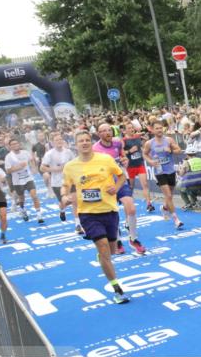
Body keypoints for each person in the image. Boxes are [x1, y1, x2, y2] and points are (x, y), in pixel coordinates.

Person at [61, 131, 130, 304]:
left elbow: (122, 175)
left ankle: (103, 257)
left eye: (86, 140)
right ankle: (117, 290)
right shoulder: (70, 166)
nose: (84, 143)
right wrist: (64, 196)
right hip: (88, 214)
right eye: (80, 141)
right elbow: (65, 185)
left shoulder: (105, 159)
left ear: (91, 143)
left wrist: (116, 187)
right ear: (75, 145)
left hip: (109, 209)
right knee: (103, 246)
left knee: (111, 251)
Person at [93, 123, 146, 254]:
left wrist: (125, 161)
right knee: (113, 213)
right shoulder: (95, 149)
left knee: (131, 209)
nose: (107, 133)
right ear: (99, 134)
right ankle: (117, 241)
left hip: (121, 180)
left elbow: (123, 157)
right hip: (106, 185)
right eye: (103, 131)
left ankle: (133, 239)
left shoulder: (117, 143)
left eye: (109, 130)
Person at [143, 121, 184, 230]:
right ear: (152, 130)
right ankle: (176, 219)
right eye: (157, 128)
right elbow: (145, 154)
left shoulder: (169, 140)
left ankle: (165, 208)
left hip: (170, 170)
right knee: (169, 196)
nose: (159, 130)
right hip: (159, 172)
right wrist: (150, 161)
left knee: (170, 194)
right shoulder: (149, 143)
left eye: (161, 128)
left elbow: (179, 150)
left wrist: (170, 150)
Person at [4, 138, 44, 224]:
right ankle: (22, 209)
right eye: (13, 144)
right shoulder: (9, 157)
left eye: (16, 143)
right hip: (17, 181)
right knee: (21, 198)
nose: (15, 145)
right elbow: (8, 170)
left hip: (28, 178)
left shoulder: (25, 153)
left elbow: (31, 159)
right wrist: (19, 166)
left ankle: (39, 215)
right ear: (10, 147)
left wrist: (34, 167)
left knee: (34, 195)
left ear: (19, 144)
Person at [40, 134, 76, 223]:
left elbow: (75, 163)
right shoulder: (49, 154)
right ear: (52, 142)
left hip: (70, 181)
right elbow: (42, 168)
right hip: (57, 182)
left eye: (60, 139)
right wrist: (55, 169)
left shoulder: (68, 152)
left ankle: (78, 224)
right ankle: (62, 211)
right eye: (56, 140)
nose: (59, 141)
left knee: (75, 201)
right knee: (64, 202)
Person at [122, 122, 154, 212]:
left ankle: (149, 204)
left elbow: (142, 148)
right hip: (130, 166)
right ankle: (129, 203)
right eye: (129, 128)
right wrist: (129, 151)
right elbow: (121, 153)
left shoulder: (137, 137)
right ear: (125, 130)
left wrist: (145, 141)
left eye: (132, 128)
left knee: (145, 184)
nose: (131, 129)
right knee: (131, 186)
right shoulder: (123, 140)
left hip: (140, 164)